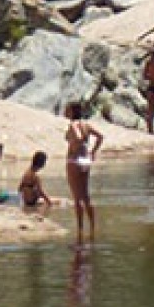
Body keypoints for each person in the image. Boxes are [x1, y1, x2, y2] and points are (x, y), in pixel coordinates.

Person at [64, 101, 104, 238]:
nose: (65, 111)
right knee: (85, 196)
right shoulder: (86, 124)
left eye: (67, 109)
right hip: (85, 160)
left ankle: (80, 229)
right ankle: (92, 227)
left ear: (72, 112)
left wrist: (75, 144)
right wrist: (92, 151)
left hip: (74, 160)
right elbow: (100, 137)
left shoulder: (73, 124)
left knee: (77, 198)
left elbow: (78, 137)